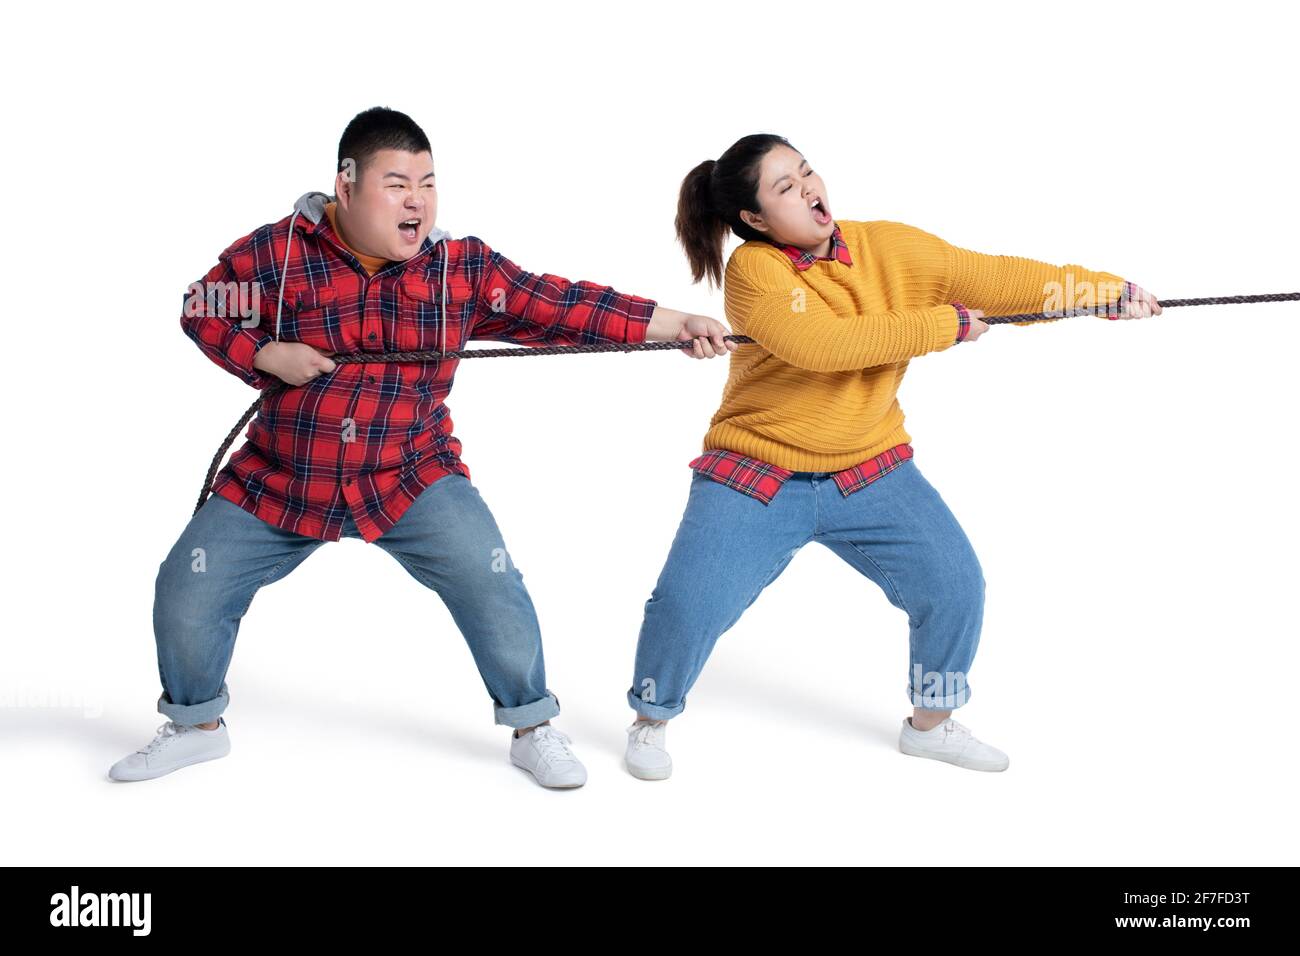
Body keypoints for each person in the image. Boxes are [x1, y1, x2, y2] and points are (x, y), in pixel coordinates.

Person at [109, 106, 735, 789]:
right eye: (398, 183)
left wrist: (678, 324)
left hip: (411, 476)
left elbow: (566, 305)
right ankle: (196, 725)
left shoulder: (461, 268)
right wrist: (265, 352)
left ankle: (532, 725)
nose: (418, 200)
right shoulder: (275, 253)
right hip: (281, 477)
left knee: (492, 582)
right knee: (187, 584)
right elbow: (202, 305)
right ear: (344, 187)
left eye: (429, 183)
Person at [623, 133, 1162, 780]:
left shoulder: (891, 248)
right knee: (687, 603)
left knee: (954, 583)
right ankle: (651, 718)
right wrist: (944, 325)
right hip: (759, 471)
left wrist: (1103, 293)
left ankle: (931, 726)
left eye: (807, 171)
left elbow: (997, 280)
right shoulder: (757, 272)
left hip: (869, 463)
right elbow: (821, 343)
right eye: (785, 188)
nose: (809, 189)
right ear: (756, 220)